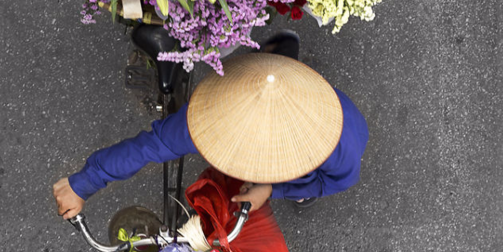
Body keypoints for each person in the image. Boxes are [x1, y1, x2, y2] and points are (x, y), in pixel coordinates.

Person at [53, 32, 369, 218]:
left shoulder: (342, 145)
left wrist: (275, 187)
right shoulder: (208, 119)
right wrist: (84, 182)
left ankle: (279, 52)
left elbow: (330, 182)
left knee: (304, 189)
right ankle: (282, 54)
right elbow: (148, 148)